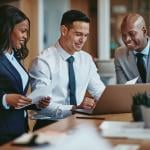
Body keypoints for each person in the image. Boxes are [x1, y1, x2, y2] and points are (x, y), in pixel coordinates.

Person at [29, 10, 105, 129]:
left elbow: (99, 91)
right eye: (78, 34)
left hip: (80, 124)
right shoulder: (43, 61)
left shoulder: (86, 59)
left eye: (86, 35)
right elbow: (43, 105)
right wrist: (75, 108)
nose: (82, 40)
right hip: (50, 125)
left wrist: (110, 101)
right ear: (64, 30)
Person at [0, 5, 50, 145]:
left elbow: (17, 95)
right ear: (7, 29)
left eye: (27, 32)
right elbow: (8, 97)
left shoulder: (14, 57)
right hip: (3, 132)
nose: (25, 37)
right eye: (22, 31)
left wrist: (36, 103)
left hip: (20, 129)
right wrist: (5, 99)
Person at [114, 13, 150, 84]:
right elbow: (123, 88)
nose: (127, 39)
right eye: (124, 35)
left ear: (144, 32)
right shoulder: (120, 54)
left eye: (132, 34)